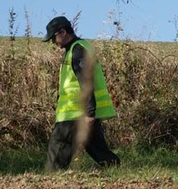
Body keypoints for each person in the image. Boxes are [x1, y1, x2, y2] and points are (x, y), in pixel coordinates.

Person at [43, 16, 121, 170]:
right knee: (97, 148)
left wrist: (89, 113)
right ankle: (114, 167)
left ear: (63, 32)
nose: (54, 42)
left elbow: (86, 82)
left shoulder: (78, 50)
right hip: (81, 113)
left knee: (58, 149)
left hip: (75, 114)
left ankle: (51, 181)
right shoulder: (78, 48)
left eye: (54, 38)